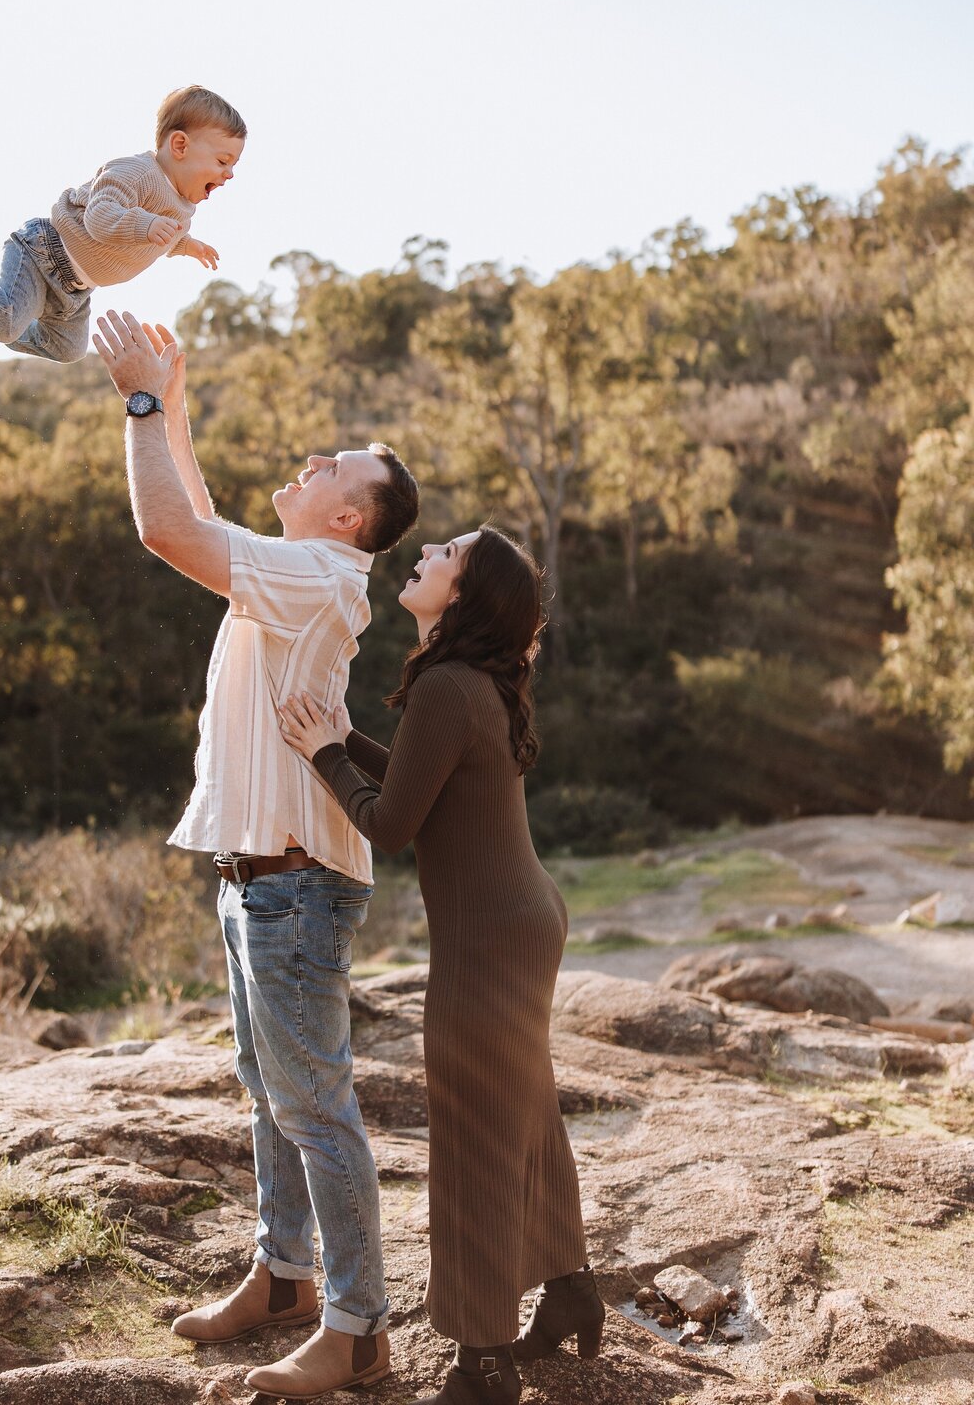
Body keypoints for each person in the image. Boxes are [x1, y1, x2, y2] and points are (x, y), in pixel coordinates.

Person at [93, 308, 420, 1401]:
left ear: (348, 513)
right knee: (268, 1093)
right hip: (254, 879)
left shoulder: (323, 577)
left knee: (315, 1109)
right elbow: (196, 511)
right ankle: (283, 1278)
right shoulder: (293, 567)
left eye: (342, 463)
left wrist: (142, 402)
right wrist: (171, 395)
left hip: (293, 887)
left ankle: (358, 1326)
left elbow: (168, 532)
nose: (319, 456)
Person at [279, 525, 605, 1405]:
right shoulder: (470, 687)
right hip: (522, 918)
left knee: (473, 1135)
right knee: (524, 1108)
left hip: (492, 937)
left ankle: (483, 1360)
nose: (426, 552)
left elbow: (388, 825)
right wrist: (343, 743)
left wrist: (322, 755)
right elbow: (430, 794)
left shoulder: (452, 686)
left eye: (447, 553)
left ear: (461, 595)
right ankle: (570, 1288)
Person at [0, 84, 243, 361]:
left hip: (75, 288)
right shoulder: (136, 172)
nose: (229, 175)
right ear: (179, 146)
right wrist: (145, 226)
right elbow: (101, 219)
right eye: (223, 161)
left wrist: (185, 245)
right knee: (7, 323)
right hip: (44, 254)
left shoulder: (181, 206)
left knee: (68, 351)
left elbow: (161, 237)